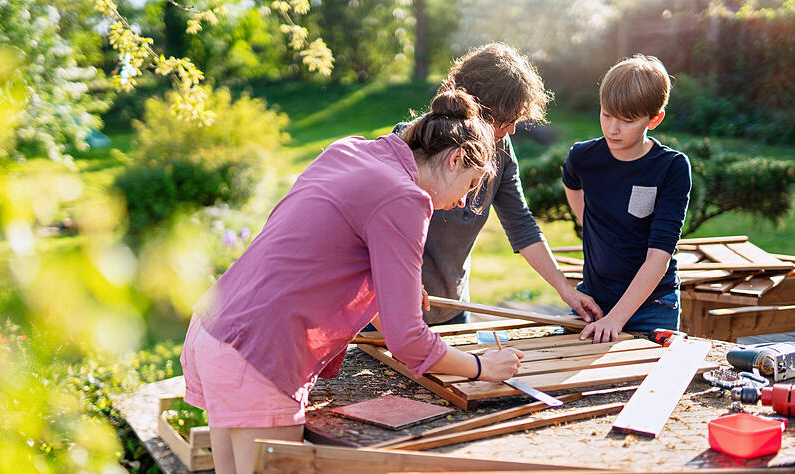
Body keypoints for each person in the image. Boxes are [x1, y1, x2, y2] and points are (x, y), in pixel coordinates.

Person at [180, 89, 525, 474]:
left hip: (215, 327)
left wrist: (391, 288)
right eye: (471, 183)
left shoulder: (351, 149)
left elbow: (313, 249)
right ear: (455, 159)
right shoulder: (407, 198)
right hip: (257, 352)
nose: (463, 201)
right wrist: (483, 367)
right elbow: (407, 340)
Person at [396, 43, 602, 327]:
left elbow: (521, 224)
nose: (513, 130)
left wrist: (564, 289)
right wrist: (399, 287)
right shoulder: (412, 140)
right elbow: (379, 230)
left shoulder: (500, 147)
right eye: (507, 120)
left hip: (453, 309)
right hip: (390, 310)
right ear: (478, 110)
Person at [561, 54, 692, 343]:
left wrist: (617, 319)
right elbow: (571, 183)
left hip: (653, 308)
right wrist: (590, 223)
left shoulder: (671, 168)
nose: (612, 129)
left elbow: (659, 256)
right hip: (593, 302)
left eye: (627, 120)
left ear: (655, 119)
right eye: (607, 115)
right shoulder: (583, 157)